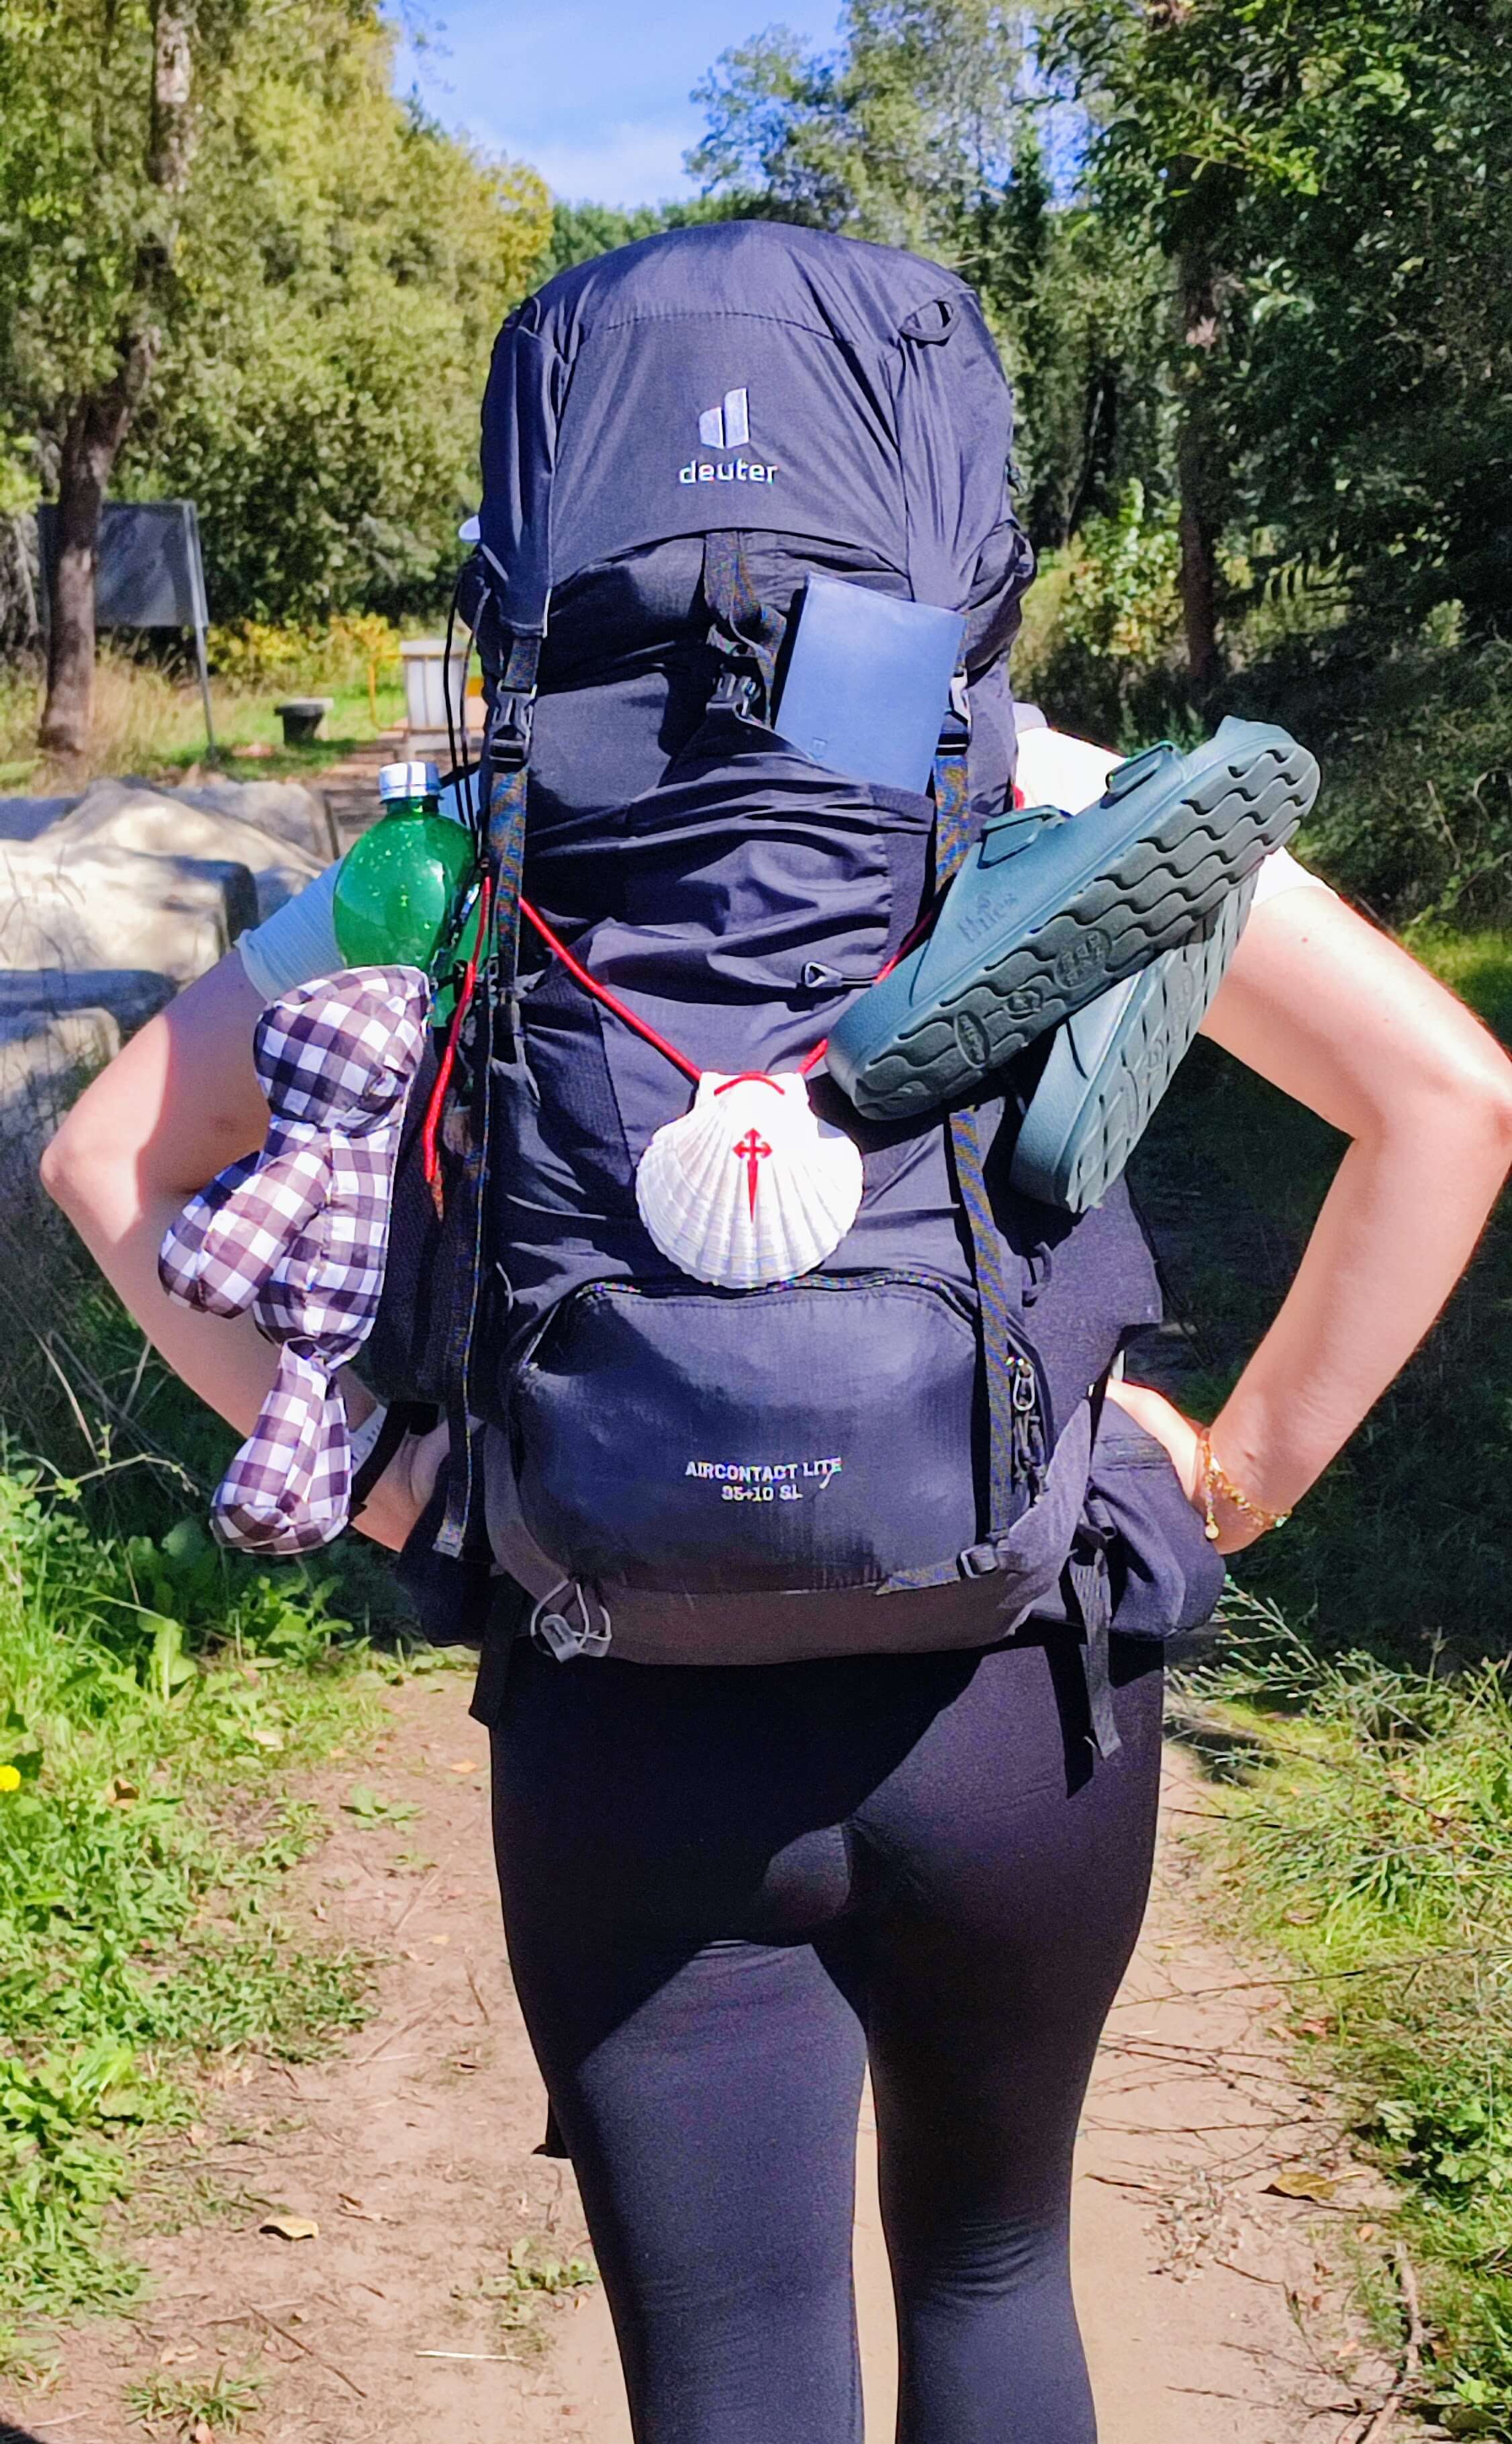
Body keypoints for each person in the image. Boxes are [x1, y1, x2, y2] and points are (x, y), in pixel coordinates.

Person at [40, 708, 1512, 2441]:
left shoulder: (474, 832)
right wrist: (1235, 1479)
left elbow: (104, 1158)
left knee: (730, 2356)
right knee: (992, 2270)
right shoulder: (1044, 787)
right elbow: (1449, 1100)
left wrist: (385, 1477)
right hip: (1011, 1677)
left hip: (618, 1699)